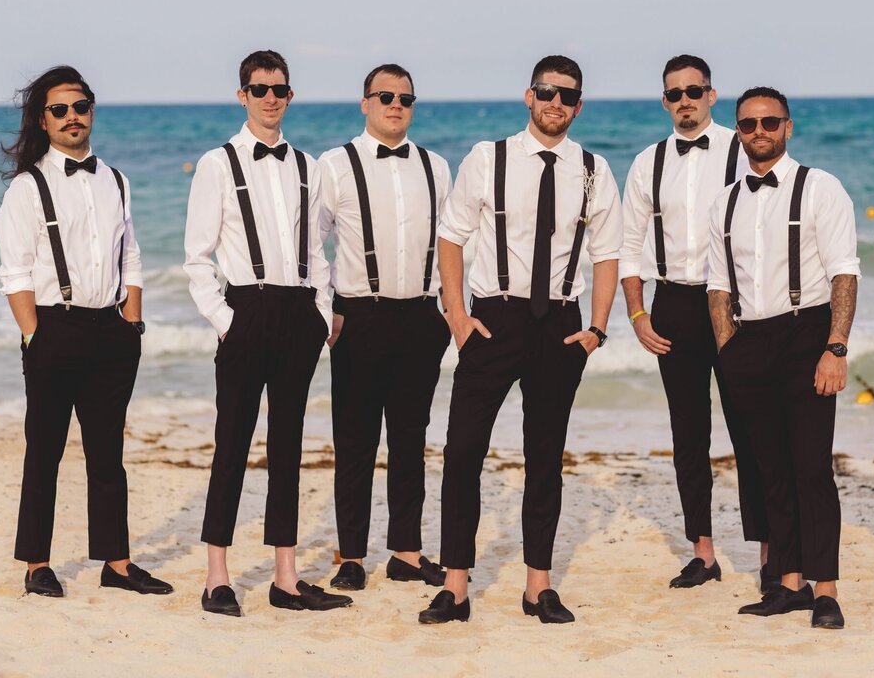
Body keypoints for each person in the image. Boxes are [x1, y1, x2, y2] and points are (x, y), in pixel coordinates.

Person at [418, 55, 622, 625]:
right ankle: (455, 588)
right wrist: (457, 315)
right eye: (546, 91)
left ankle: (538, 587)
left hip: (561, 327)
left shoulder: (593, 171)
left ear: (578, 106)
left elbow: (608, 253)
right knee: (462, 454)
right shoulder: (488, 158)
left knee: (544, 461)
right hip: (492, 322)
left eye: (567, 95)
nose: (556, 102)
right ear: (528, 96)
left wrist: (597, 329)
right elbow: (451, 238)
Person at [0, 65, 172, 599]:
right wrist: (34, 334)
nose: (72, 117)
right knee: (44, 451)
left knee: (107, 453)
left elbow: (131, 254)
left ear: (92, 110)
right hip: (54, 329)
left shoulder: (116, 180)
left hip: (112, 331)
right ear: (43, 121)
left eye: (80, 106)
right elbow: (15, 271)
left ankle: (116, 564)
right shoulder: (28, 188)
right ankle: (36, 564)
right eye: (60, 110)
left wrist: (132, 319)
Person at [184, 50, 348, 616]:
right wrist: (227, 322)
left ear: (290, 95)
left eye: (280, 88)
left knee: (288, 449)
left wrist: (322, 313)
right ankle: (216, 576)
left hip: (299, 316)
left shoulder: (310, 167)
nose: (271, 97)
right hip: (246, 314)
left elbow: (317, 251)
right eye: (259, 89)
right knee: (231, 445)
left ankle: (285, 576)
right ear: (243, 96)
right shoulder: (217, 164)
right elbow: (197, 258)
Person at [707, 86, 859, 630]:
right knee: (769, 469)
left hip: (807, 334)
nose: (759, 133)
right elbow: (719, 285)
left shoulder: (821, 189)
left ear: (787, 127)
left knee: (812, 468)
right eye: (748, 125)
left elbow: (844, 272)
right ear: (739, 131)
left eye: (769, 122)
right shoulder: (724, 200)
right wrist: (728, 351)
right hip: (748, 343)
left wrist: (835, 348)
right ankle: (787, 585)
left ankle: (826, 590)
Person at [619, 54, 772, 590]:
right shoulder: (647, 163)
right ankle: (703, 553)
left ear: (710, 94)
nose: (684, 99)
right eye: (674, 93)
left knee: (752, 428)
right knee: (689, 433)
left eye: (694, 90)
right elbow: (629, 245)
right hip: (673, 306)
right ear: (665, 101)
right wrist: (637, 313)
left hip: (735, 306)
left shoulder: (743, 146)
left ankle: (770, 551)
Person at [319, 64, 452, 591]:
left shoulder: (436, 167)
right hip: (359, 315)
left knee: (409, 439)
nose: (396, 105)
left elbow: (452, 244)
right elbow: (312, 242)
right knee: (354, 440)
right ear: (365, 103)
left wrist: (449, 308)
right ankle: (351, 555)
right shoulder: (335, 166)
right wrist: (323, 305)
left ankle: (406, 552)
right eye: (385, 96)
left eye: (405, 98)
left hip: (420, 317)